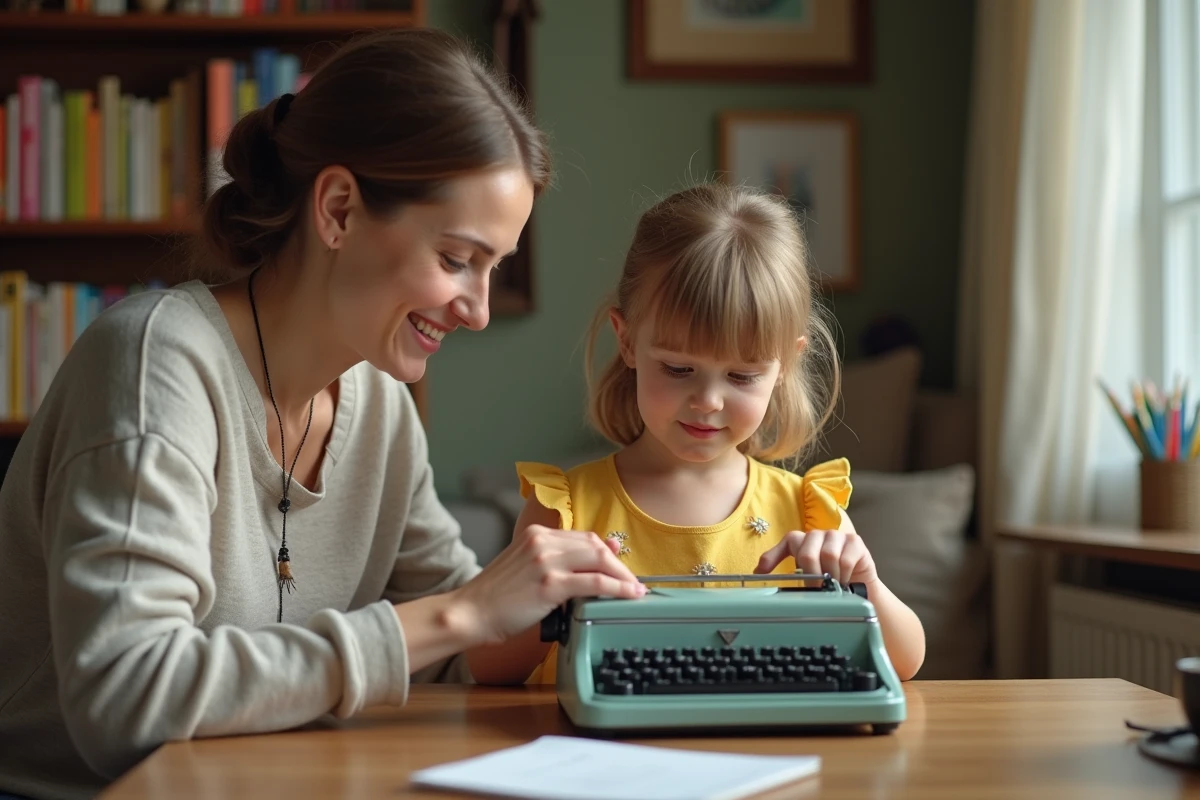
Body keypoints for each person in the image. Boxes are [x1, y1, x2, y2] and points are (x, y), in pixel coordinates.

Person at [0, 29, 643, 800]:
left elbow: (456, 645)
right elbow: (126, 702)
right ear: (338, 209)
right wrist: (465, 611)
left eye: (493, 267)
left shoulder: (379, 408)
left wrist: (564, 596)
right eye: (455, 259)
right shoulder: (153, 366)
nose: (475, 311)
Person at [468, 183, 927, 687]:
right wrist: (543, 602)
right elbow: (486, 667)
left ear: (785, 365)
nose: (708, 401)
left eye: (742, 376)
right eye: (679, 369)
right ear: (627, 342)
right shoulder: (565, 510)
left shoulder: (810, 510)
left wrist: (868, 586)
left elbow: (905, 661)